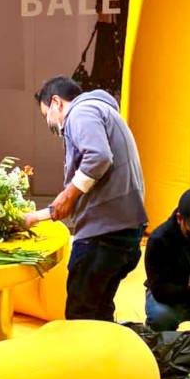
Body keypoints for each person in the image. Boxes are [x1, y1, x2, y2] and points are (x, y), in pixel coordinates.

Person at [26, 75, 147, 321]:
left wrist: (68, 194)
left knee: (80, 316)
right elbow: (77, 198)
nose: (49, 122)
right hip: (123, 232)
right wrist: (34, 217)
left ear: (56, 102)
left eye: (46, 114)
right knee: (100, 312)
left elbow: (98, 157)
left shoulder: (81, 112)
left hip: (103, 236)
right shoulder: (103, 112)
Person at [144, 188, 190, 331]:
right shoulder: (159, 241)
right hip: (170, 296)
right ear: (180, 219)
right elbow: (160, 289)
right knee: (161, 317)